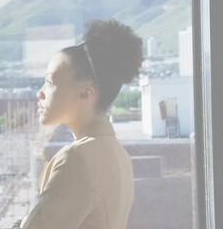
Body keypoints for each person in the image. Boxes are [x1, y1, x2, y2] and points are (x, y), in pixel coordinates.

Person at [14, 19, 143, 229]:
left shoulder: (77, 159)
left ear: (86, 92)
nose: (40, 93)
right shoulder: (118, 154)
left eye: (50, 82)